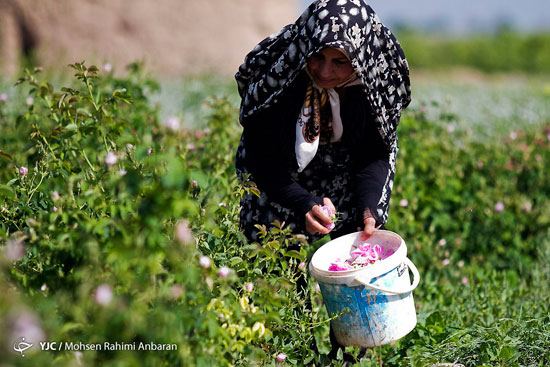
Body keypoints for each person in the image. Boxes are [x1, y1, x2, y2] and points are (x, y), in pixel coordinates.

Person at [234, 0, 411, 361]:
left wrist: (368, 207)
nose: (325, 72)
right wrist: (303, 203)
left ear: (358, 60)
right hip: (279, 179)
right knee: (275, 264)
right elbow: (264, 161)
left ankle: (348, 349)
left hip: (344, 176)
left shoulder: (373, 86)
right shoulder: (281, 80)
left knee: (357, 259)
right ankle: (286, 350)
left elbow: (374, 155)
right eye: (318, 57)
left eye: (339, 61)